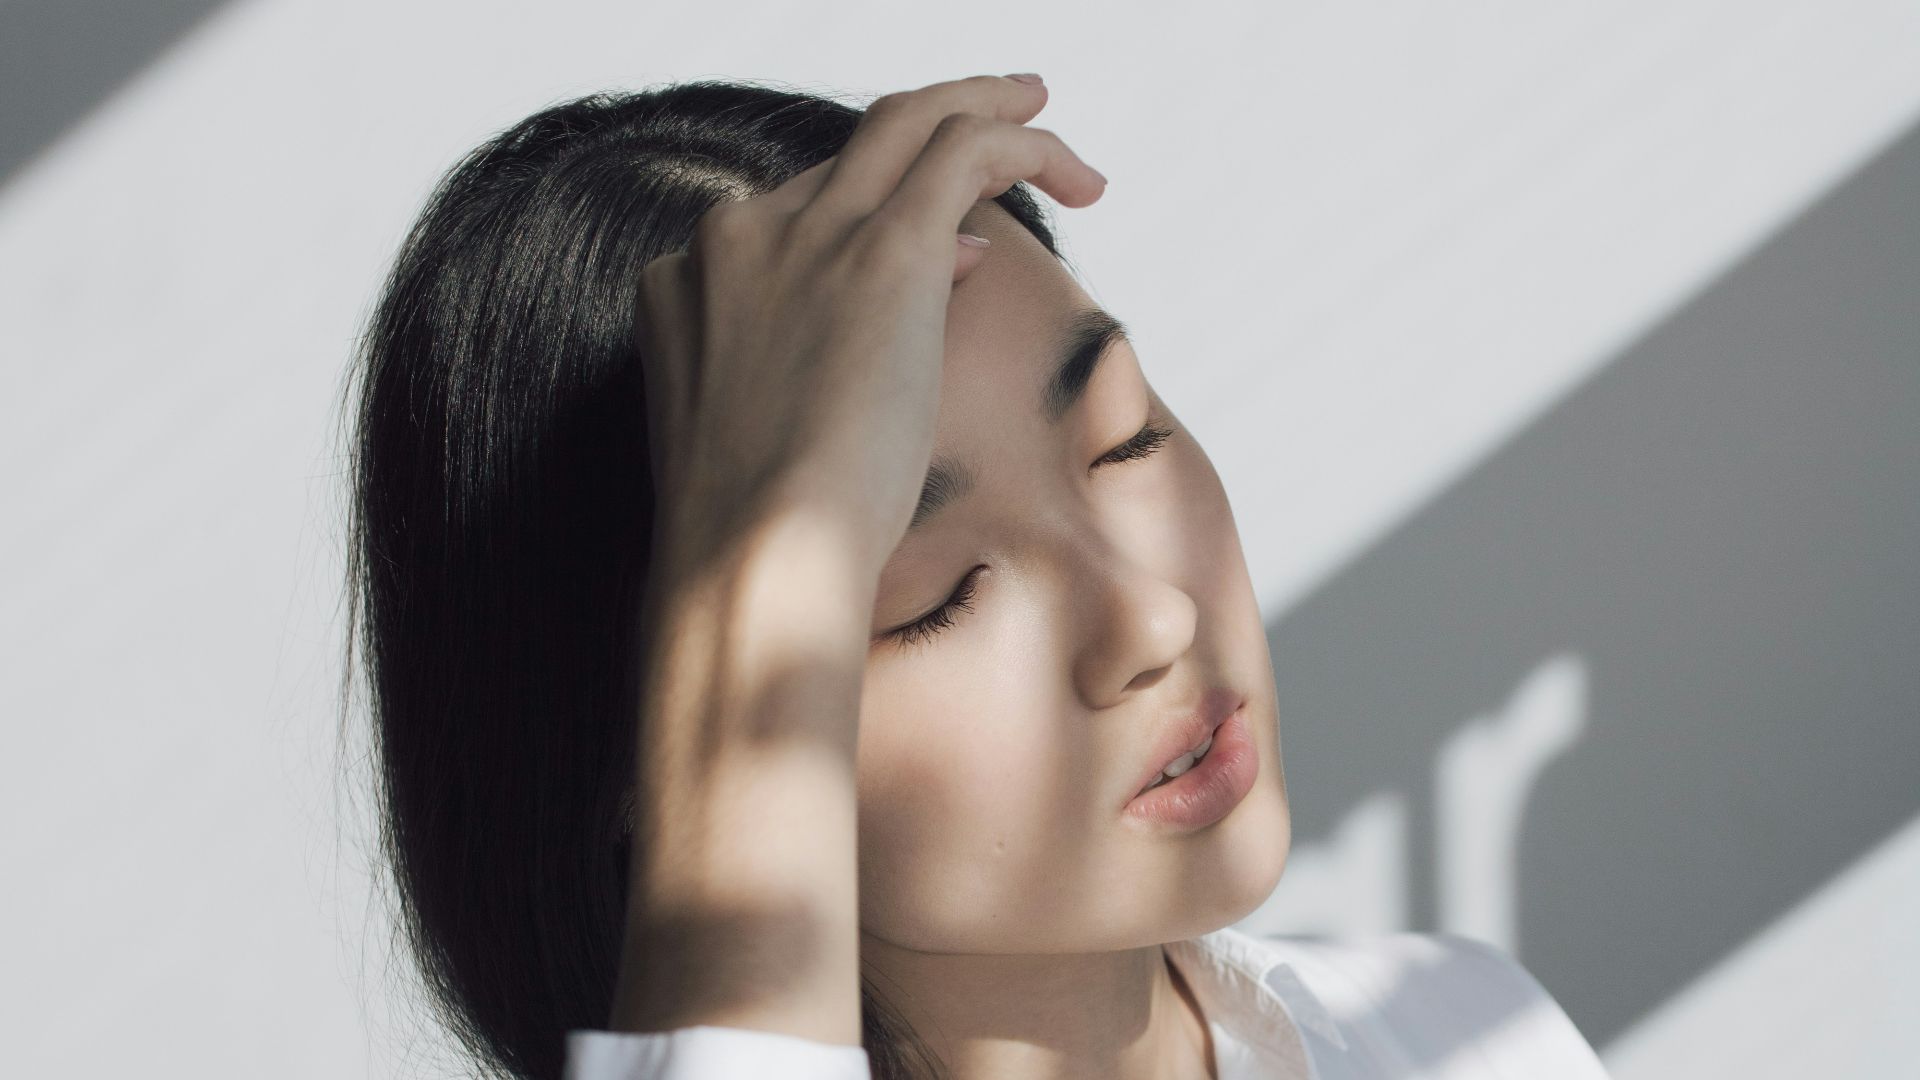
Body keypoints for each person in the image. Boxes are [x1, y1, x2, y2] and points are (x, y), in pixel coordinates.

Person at [343, 72, 1611, 1080]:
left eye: (1127, 437)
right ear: (640, 741)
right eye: (930, 596)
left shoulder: (1467, 1038)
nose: (1149, 616)